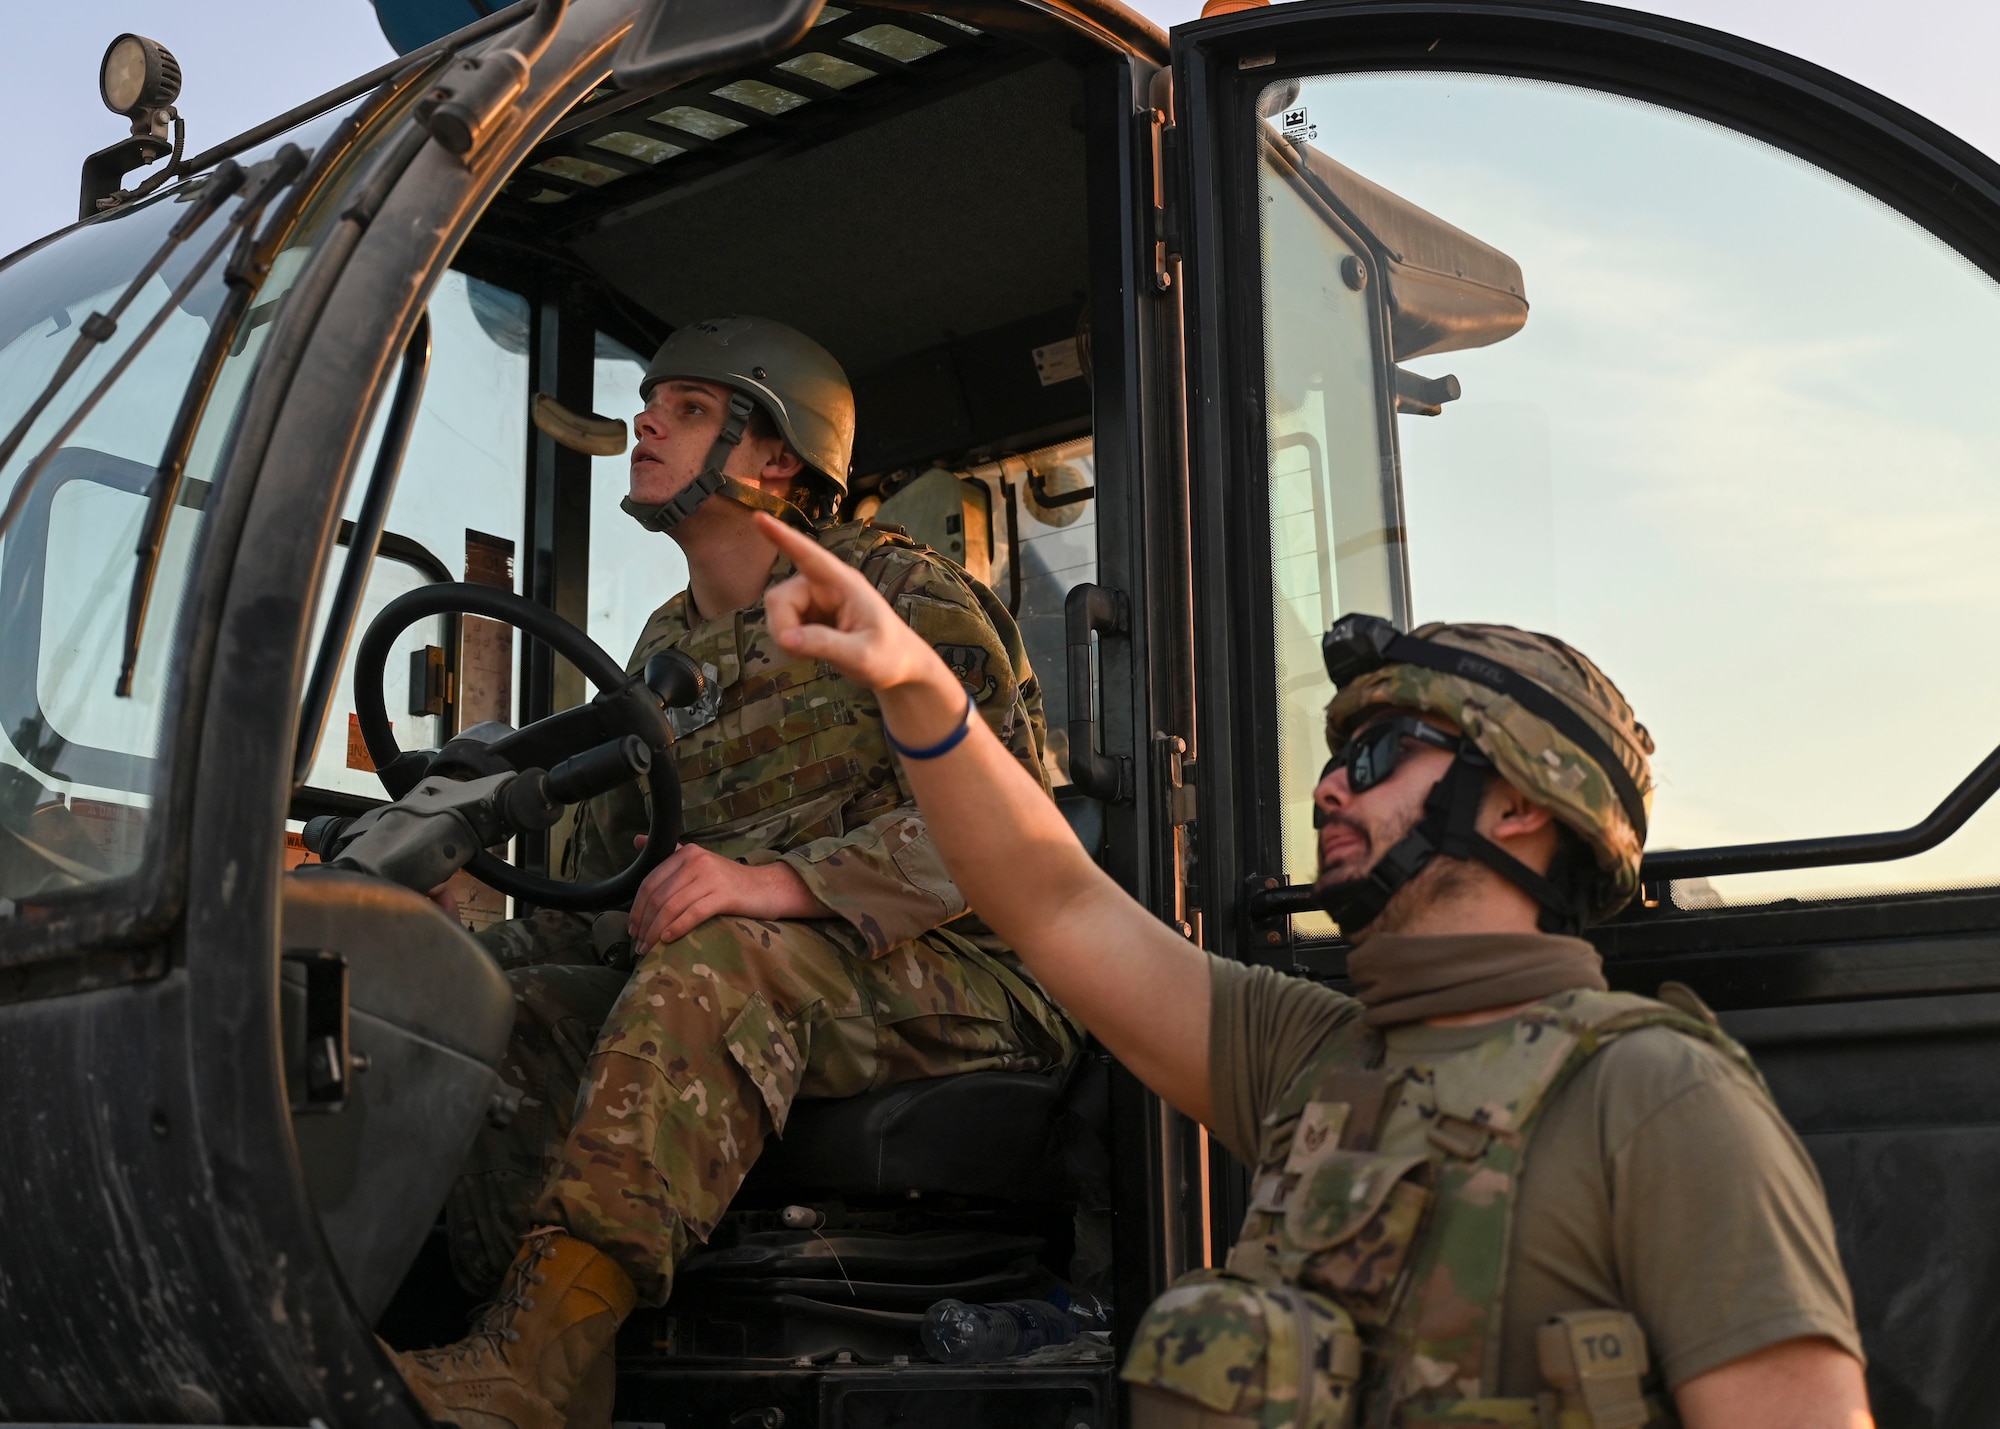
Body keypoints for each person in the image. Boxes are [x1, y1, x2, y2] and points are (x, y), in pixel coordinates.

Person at [752, 512, 1875, 1429]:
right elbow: (1053, 902)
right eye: (1335, 757)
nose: (1330, 788)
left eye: (1380, 756)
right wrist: (911, 686)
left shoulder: (1658, 1100)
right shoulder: (1318, 1056)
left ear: (1522, 803)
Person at [395, 317, 1076, 1429]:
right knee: (494, 993)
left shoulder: (900, 595)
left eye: (693, 408)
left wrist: (778, 884)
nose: (645, 421)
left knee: (721, 958)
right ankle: (522, 1350)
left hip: (970, 975)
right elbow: (610, 897)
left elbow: (1001, 837)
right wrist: (457, 936)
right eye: (652, 401)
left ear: (776, 459)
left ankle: (532, 1372)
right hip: (770, 967)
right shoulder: (665, 642)